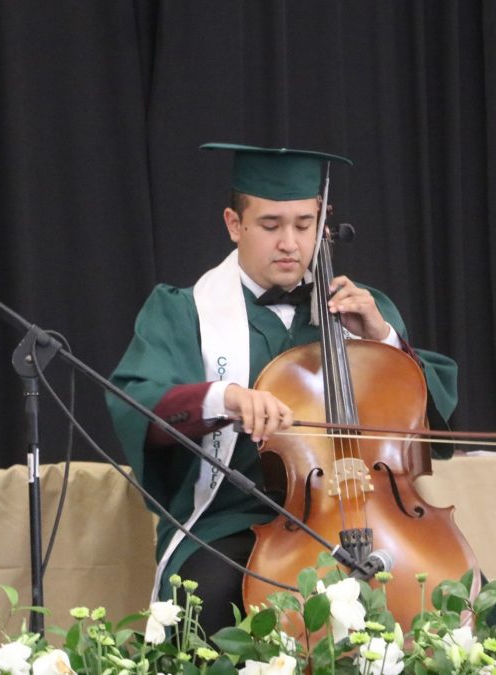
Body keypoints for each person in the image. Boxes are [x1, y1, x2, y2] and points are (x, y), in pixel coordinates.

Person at [107, 143, 458, 635]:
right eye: (271, 225)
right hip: (230, 520)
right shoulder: (184, 312)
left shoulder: (359, 309)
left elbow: (424, 416)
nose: (290, 243)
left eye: (304, 224)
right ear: (234, 224)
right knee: (214, 595)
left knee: (443, 597)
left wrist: (383, 339)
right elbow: (140, 399)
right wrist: (224, 398)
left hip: (367, 509)